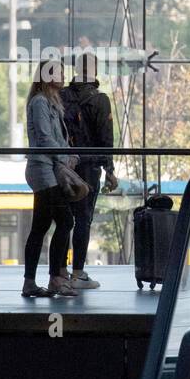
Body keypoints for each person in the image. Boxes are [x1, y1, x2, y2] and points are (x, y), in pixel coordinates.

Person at [22, 60, 79, 298]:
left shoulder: (53, 103)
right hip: (43, 169)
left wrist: (69, 154)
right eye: (57, 71)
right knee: (65, 220)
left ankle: (31, 282)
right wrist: (65, 157)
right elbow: (45, 137)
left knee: (41, 226)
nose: (63, 75)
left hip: (50, 167)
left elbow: (55, 138)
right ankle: (56, 277)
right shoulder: (40, 102)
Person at [62, 52, 118, 290]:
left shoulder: (61, 95)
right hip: (90, 167)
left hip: (64, 166)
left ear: (76, 69)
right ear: (95, 71)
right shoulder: (100, 99)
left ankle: (59, 271)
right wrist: (110, 169)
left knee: (64, 219)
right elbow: (106, 138)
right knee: (83, 219)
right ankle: (78, 272)